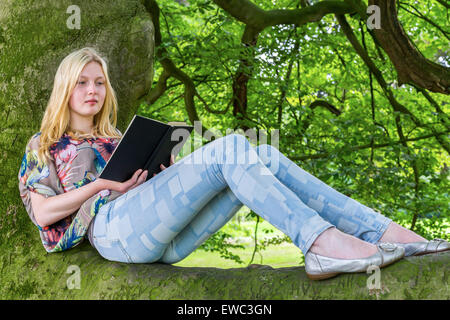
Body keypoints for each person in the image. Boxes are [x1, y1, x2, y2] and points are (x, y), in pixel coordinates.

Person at [18, 47, 449, 280]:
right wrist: (101, 187)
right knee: (229, 147)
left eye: (99, 82)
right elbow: (42, 213)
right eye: (81, 82)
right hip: (112, 230)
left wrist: (161, 173)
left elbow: (150, 187)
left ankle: (384, 232)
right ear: (65, 89)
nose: (92, 89)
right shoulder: (45, 145)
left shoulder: (115, 139)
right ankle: (320, 244)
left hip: (159, 236)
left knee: (256, 152)